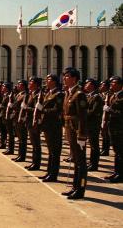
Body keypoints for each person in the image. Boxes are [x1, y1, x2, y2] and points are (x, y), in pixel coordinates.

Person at [61, 67, 88, 199]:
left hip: (77, 132)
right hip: (70, 130)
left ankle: (81, 188)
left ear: (74, 79)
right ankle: (74, 187)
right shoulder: (69, 93)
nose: (64, 79)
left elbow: (83, 117)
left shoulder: (79, 94)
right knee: (76, 161)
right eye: (64, 76)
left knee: (81, 162)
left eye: (67, 76)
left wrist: (82, 135)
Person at [37, 74, 64, 182]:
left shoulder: (59, 94)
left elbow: (57, 110)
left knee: (55, 152)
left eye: (48, 80)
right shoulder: (48, 93)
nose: (46, 81)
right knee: (50, 151)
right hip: (47, 125)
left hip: (54, 126)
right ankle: (49, 172)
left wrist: (43, 110)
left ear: (54, 81)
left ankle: (53, 174)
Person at [104, 76, 123, 183]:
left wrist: (110, 110)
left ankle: (120, 174)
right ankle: (116, 172)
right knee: (116, 151)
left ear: (120, 85)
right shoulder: (113, 96)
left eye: (114, 83)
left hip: (120, 128)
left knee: (121, 152)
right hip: (113, 127)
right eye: (110, 83)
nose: (111, 85)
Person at [84, 78, 103, 171]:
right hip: (89, 124)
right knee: (91, 145)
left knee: (94, 145)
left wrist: (82, 113)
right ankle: (91, 162)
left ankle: (94, 164)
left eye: (87, 84)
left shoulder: (97, 97)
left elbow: (93, 111)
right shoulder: (89, 96)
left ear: (92, 86)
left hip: (93, 124)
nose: (85, 85)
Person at [25, 76, 42, 170]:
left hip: (34, 121)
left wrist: (26, 108)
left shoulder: (38, 95)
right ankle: (34, 162)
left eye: (31, 82)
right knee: (33, 143)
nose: (29, 84)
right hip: (29, 121)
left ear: (35, 84)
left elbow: (36, 109)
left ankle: (36, 163)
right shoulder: (31, 94)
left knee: (36, 144)